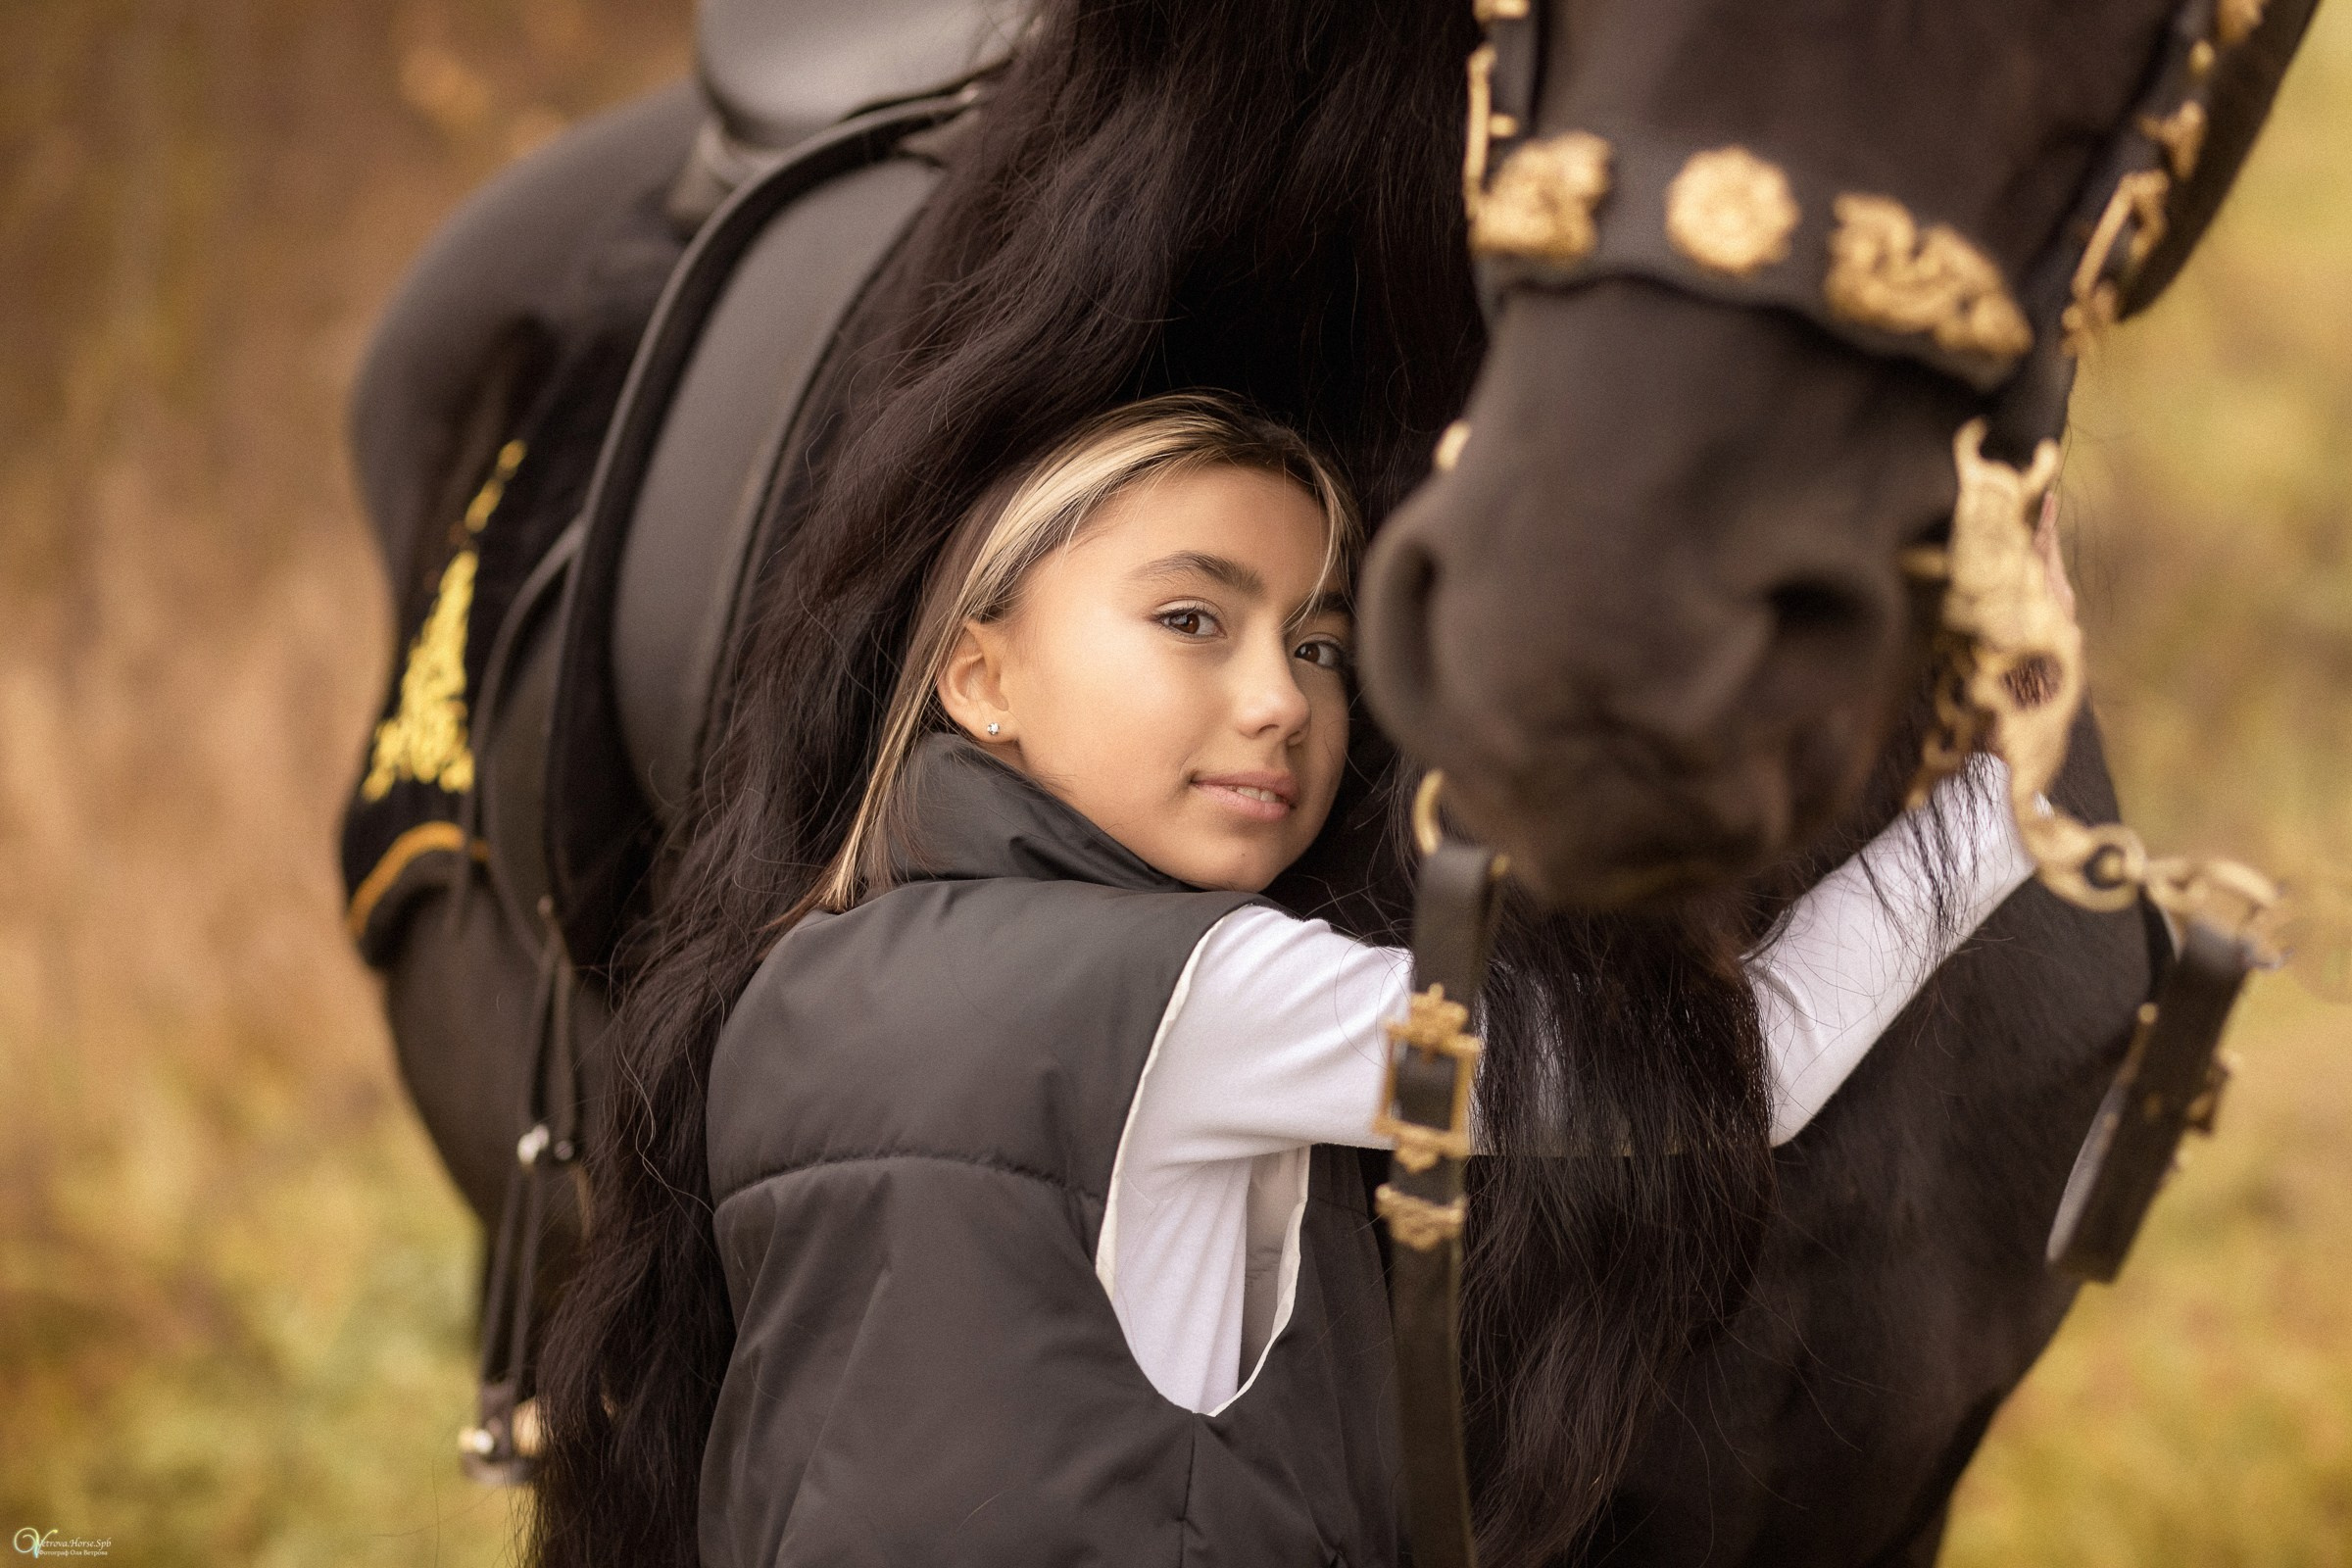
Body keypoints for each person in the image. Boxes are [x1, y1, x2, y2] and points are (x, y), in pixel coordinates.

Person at [543, 394, 2045, 1565]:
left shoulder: (790, 985)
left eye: (1320, 646)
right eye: (1192, 619)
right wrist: (2011, 791)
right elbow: (1729, 1086)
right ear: (980, 675)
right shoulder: (1215, 997)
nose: (1277, 702)